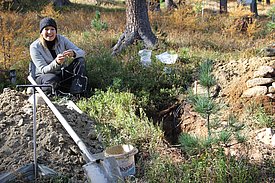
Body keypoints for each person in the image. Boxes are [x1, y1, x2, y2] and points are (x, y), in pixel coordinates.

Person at [29, 17, 87, 96]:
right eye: (46, 29)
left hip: (60, 74)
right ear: (41, 32)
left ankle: (77, 93)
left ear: (56, 31)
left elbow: (82, 53)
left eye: (52, 29)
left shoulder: (62, 39)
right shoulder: (34, 47)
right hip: (43, 77)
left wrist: (74, 53)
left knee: (80, 61)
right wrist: (57, 62)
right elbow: (43, 70)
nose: (50, 32)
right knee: (52, 79)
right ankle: (54, 93)